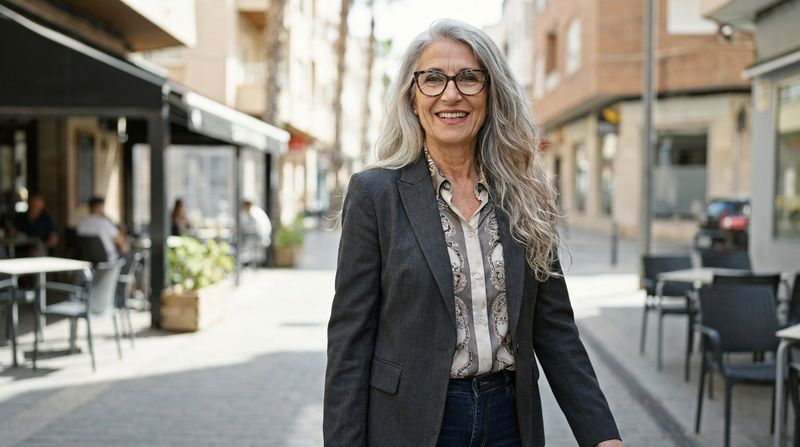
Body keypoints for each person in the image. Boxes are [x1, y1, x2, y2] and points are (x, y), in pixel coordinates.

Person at [324, 20, 622, 447]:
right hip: (412, 421)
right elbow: (349, 343)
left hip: (509, 419)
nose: (451, 94)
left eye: (468, 77)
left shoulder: (525, 193)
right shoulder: (375, 194)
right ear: (412, 96)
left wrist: (601, 436)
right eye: (432, 79)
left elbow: (554, 329)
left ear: (490, 92)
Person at [77, 196, 128, 261]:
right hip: (109, 260)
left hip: (88, 260)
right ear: (99, 207)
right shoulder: (104, 222)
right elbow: (120, 242)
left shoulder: (81, 224)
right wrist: (122, 230)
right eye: (102, 207)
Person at [240, 200, 272, 266]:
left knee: (246, 243)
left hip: (262, 234)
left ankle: (247, 262)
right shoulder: (255, 210)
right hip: (262, 233)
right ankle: (248, 262)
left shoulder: (253, 212)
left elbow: (256, 226)